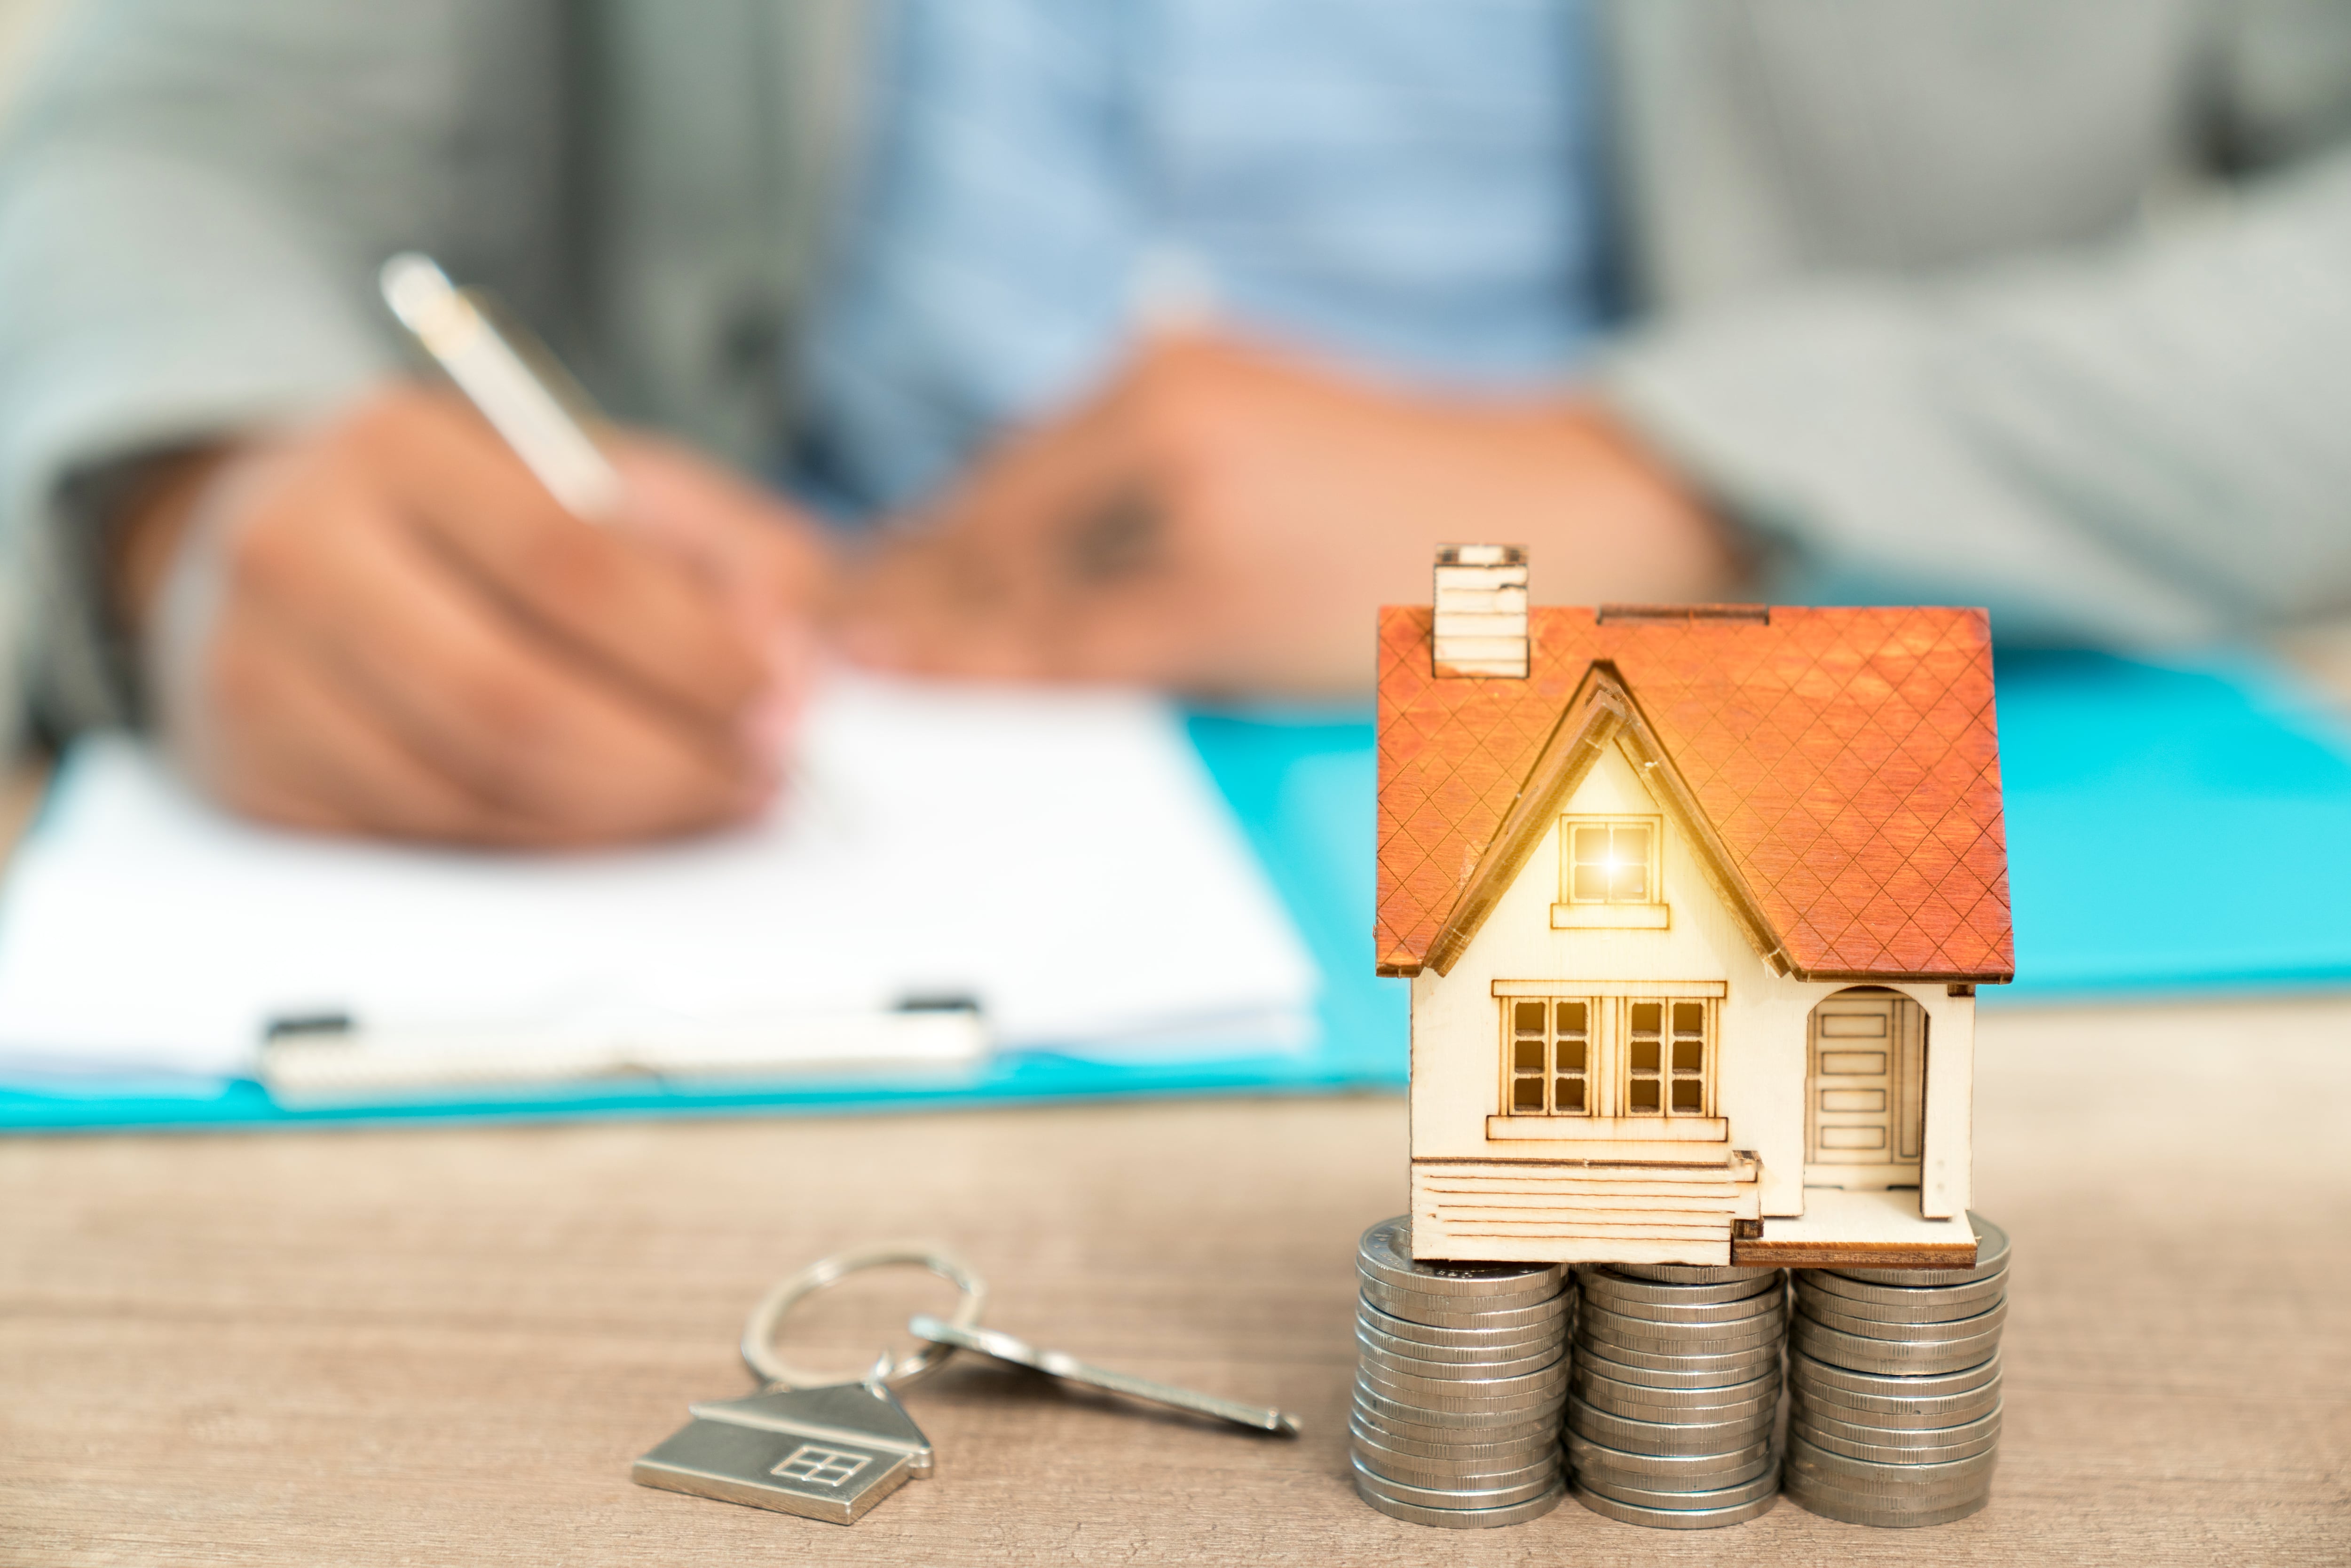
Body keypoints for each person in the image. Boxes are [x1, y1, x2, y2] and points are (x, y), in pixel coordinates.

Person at [3, 2, 2349, 848]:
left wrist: (1673, 464)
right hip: (767, 745)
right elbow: (154, 136)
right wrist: (191, 478)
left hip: (1851, 690)